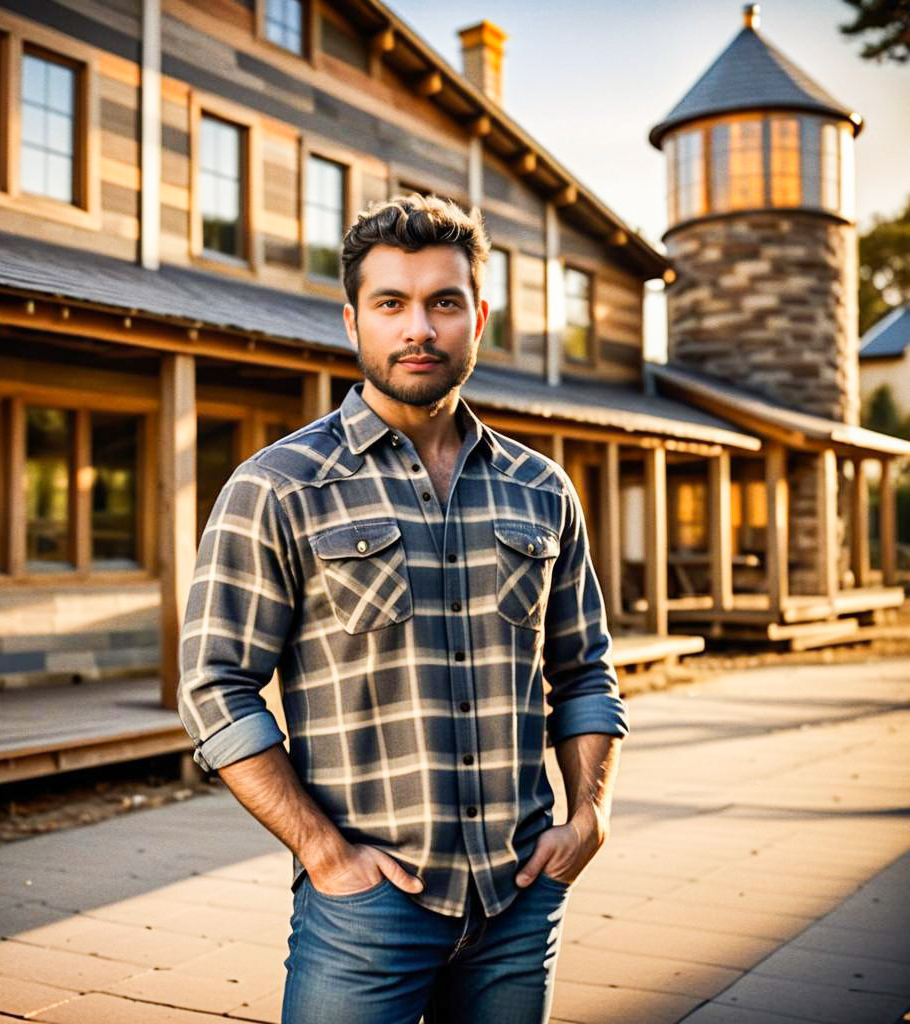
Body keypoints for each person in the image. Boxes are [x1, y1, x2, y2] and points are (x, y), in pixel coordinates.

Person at [178, 193, 627, 1024]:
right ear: (353, 320)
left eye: (443, 303)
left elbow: (584, 668)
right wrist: (322, 851)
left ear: (478, 318)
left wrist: (589, 815)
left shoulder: (541, 489)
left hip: (521, 898)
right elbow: (214, 686)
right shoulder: (279, 486)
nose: (418, 327)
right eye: (392, 304)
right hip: (366, 908)